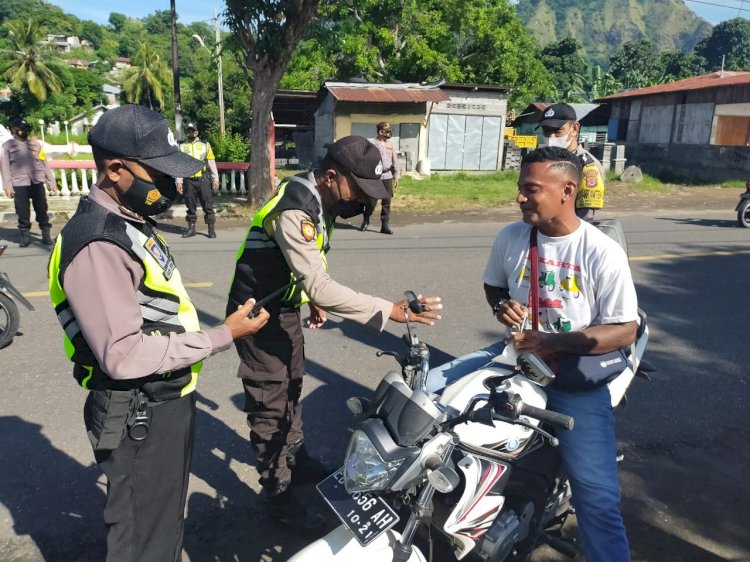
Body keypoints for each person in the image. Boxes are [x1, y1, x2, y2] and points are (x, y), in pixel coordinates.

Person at [47, 104, 270, 562]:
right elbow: (123, 356)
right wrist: (220, 336)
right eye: (160, 174)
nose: (172, 186)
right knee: (142, 539)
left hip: (162, 400)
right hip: (137, 411)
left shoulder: (129, 222)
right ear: (116, 169)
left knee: (163, 521)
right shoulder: (98, 241)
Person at [426, 146, 638, 562]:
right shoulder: (511, 238)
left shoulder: (599, 251)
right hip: (515, 359)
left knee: (597, 499)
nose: (520, 197)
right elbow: (495, 287)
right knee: (431, 401)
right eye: (520, 188)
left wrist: (551, 342)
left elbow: (624, 330)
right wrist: (501, 305)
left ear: (567, 191)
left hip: (571, 376)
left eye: (531, 189)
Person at [226, 135, 442, 527]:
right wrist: (385, 311)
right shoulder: (296, 208)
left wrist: (314, 300)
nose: (363, 201)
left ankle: (295, 458)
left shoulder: (322, 202)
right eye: (359, 191)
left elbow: (308, 266)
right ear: (330, 177)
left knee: (292, 387)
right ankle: (278, 498)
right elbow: (318, 280)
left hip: (284, 308)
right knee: (270, 403)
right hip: (254, 317)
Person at [539, 103, 606, 222]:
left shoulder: (587, 166)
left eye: (557, 131)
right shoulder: (544, 160)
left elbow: (585, 216)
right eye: (546, 130)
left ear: (574, 129)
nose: (551, 136)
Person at [1, 117, 58, 247]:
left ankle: (46, 234)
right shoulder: (7, 146)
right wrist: (7, 186)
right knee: (22, 211)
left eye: (25, 128)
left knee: (42, 208)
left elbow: (44, 164)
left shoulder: (36, 144)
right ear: (13, 130)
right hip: (19, 183)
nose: (24, 131)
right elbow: (4, 167)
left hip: (37, 182)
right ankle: (25, 235)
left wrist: (51, 182)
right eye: (20, 129)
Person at [176, 122, 220, 238]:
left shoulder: (205, 145)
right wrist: (179, 181)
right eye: (188, 130)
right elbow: (178, 165)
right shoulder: (180, 146)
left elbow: (211, 162)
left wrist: (216, 179)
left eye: (192, 130)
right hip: (188, 180)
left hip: (203, 179)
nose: (190, 133)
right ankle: (191, 229)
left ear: (196, 132)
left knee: (207, 204)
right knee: (190, 205)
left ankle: (211, 230)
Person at [360, 122, 400, 234]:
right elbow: (365, 160)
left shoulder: (390, 144)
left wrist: (396, 176)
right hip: (375, 177)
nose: (389, 133)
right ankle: (366, 220)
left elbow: (395, 160)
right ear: (381, 132)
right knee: (372, 202)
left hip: (387, 176)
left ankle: (384, 226)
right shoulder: (371, 144)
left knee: (386, 202)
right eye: (387, 131)